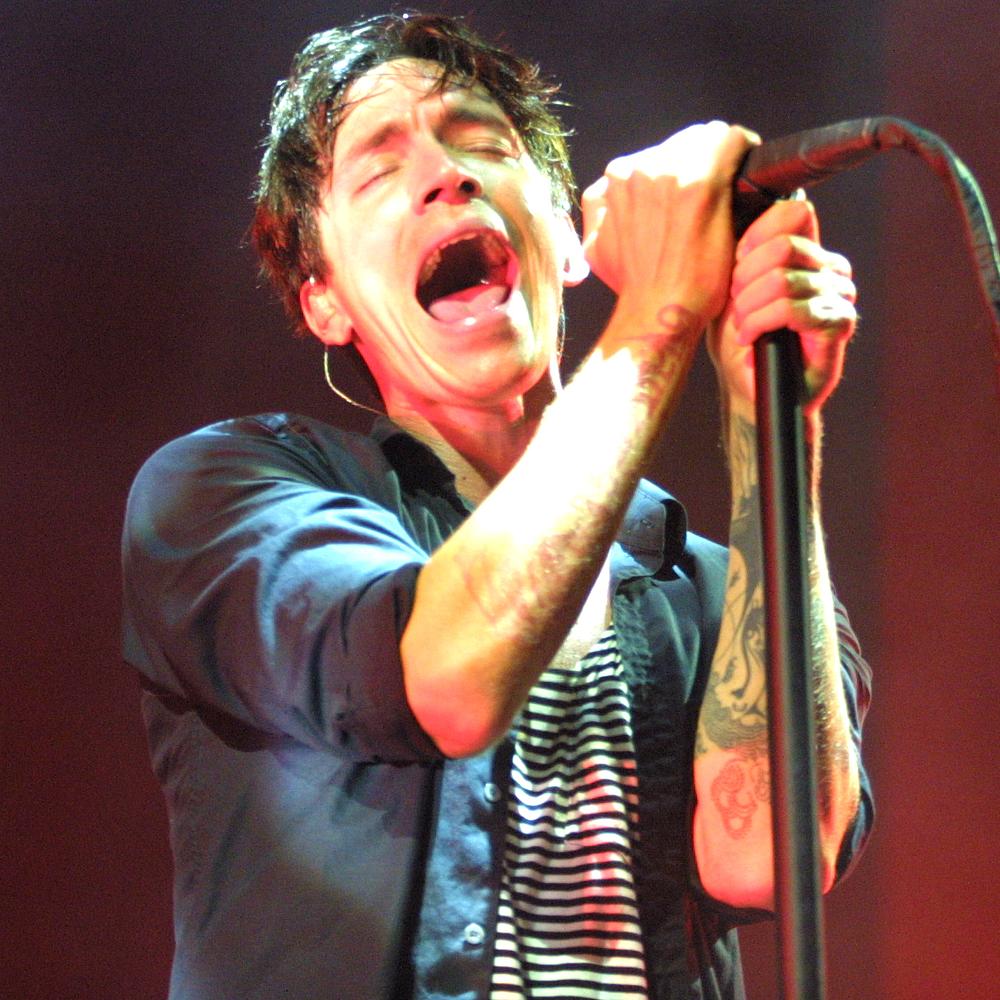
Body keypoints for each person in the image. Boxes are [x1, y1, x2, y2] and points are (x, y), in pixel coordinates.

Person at [122, 12, 872, 1000]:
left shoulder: (702, 583)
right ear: (324, 300)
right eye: (380, 169)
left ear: (565, 238)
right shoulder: (225, 497)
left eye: (480, 141)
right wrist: (659, 313)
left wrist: (773, 421)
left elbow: (770, 858)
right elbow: (445, 677)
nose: (446, 174)